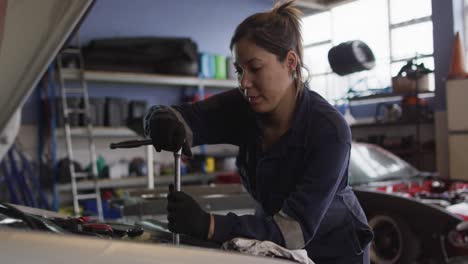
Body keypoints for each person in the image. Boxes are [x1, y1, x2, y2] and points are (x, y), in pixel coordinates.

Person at [143, 1, 373, 263]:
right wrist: (161, 121)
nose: (244, 82)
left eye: (255, 68)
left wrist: (208, 225)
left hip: (334, 251)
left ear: (290, 62)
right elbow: (182, 116)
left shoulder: (329, 131)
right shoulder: (244, 108)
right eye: (239, 70)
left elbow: (294, 230)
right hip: (271, 245)